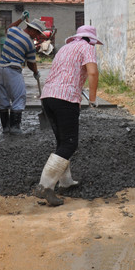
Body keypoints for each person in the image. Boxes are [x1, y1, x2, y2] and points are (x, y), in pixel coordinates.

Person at [34, 25, 101, 206]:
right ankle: (45, 187)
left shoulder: (65, 48)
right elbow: (93, 72)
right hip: (65, 98)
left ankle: (65, 182)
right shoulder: (87, 48)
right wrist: (93, 99)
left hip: (48, 97)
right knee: (70, 144)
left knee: (62, 142)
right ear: (91, 40)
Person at [0, 12, 45, 134]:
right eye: (38, 33)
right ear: (33, 30)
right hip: (13, 70)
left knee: (3, 99)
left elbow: (9, 27)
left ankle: (6, 128)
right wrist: (36, 72)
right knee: (20, 97)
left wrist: (20, 19)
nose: (37, 36)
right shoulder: (29, 43)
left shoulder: (13, 31)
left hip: (1, 69)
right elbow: (31, 63)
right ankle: (15, 127)